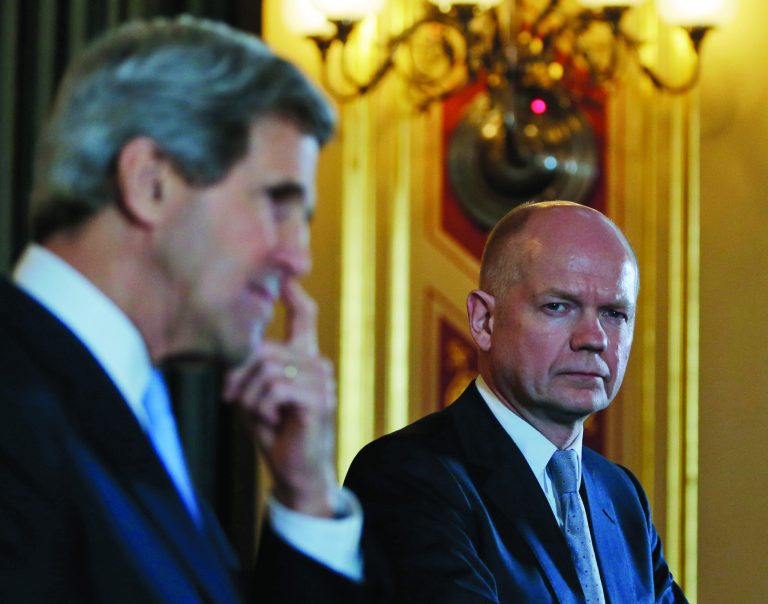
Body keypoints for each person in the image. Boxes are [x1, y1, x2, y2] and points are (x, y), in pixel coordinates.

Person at [0, 15, 373, 603]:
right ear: (151, 184)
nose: (297, 257)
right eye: (277, 202)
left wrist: (306, 496)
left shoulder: (128, 405)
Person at [345, 201, 687, 603]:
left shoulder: (621, 494)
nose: (594, 337)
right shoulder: (406, 475)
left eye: (614, 313)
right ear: (483, 321)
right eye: (558, 306)